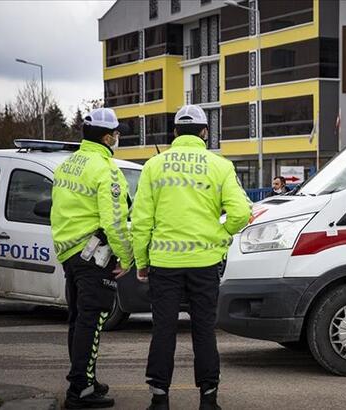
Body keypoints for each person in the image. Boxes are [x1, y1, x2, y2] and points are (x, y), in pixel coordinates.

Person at [132, 105, 251, 410]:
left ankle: (159, 399)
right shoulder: (220, 166)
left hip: (164, 265)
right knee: (203, 331)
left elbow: (141, 220)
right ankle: (208, 400)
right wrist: (221, 238)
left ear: (174, 133)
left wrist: (141, 262)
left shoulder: (153, 166)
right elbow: (241, 213)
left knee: (163, 330)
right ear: (204, 132)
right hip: (204, 263)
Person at [51, 108, 134, 409]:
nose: (118, 138)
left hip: (70, 253)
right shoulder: (106, 169)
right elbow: (115, 221)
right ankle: (79, 391)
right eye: (116, 133)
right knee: (92, 320)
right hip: (94, 256)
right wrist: (126, 257)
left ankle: (85, 379)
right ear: (108, 136)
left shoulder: (67, 165)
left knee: (78, 319)